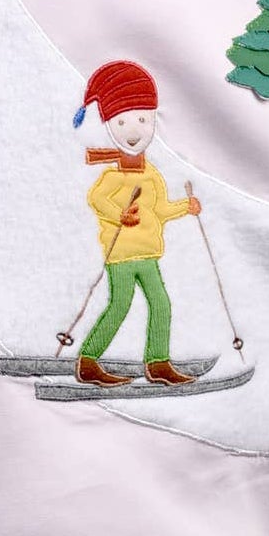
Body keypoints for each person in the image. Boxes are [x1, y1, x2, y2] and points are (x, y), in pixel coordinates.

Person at [72, 61, 201, 388]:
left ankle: (158, 363)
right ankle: (88, 360)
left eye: (143, 120)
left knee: (161, 303)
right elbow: (97, 199)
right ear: (110, 126)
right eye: (122, 122)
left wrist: (186, 207)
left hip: (149, 253)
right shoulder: (113, 175)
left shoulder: (151, 173)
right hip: (121, 255)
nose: (134, 131)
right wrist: (120, 215)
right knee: (120, 305)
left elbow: (159, 210)